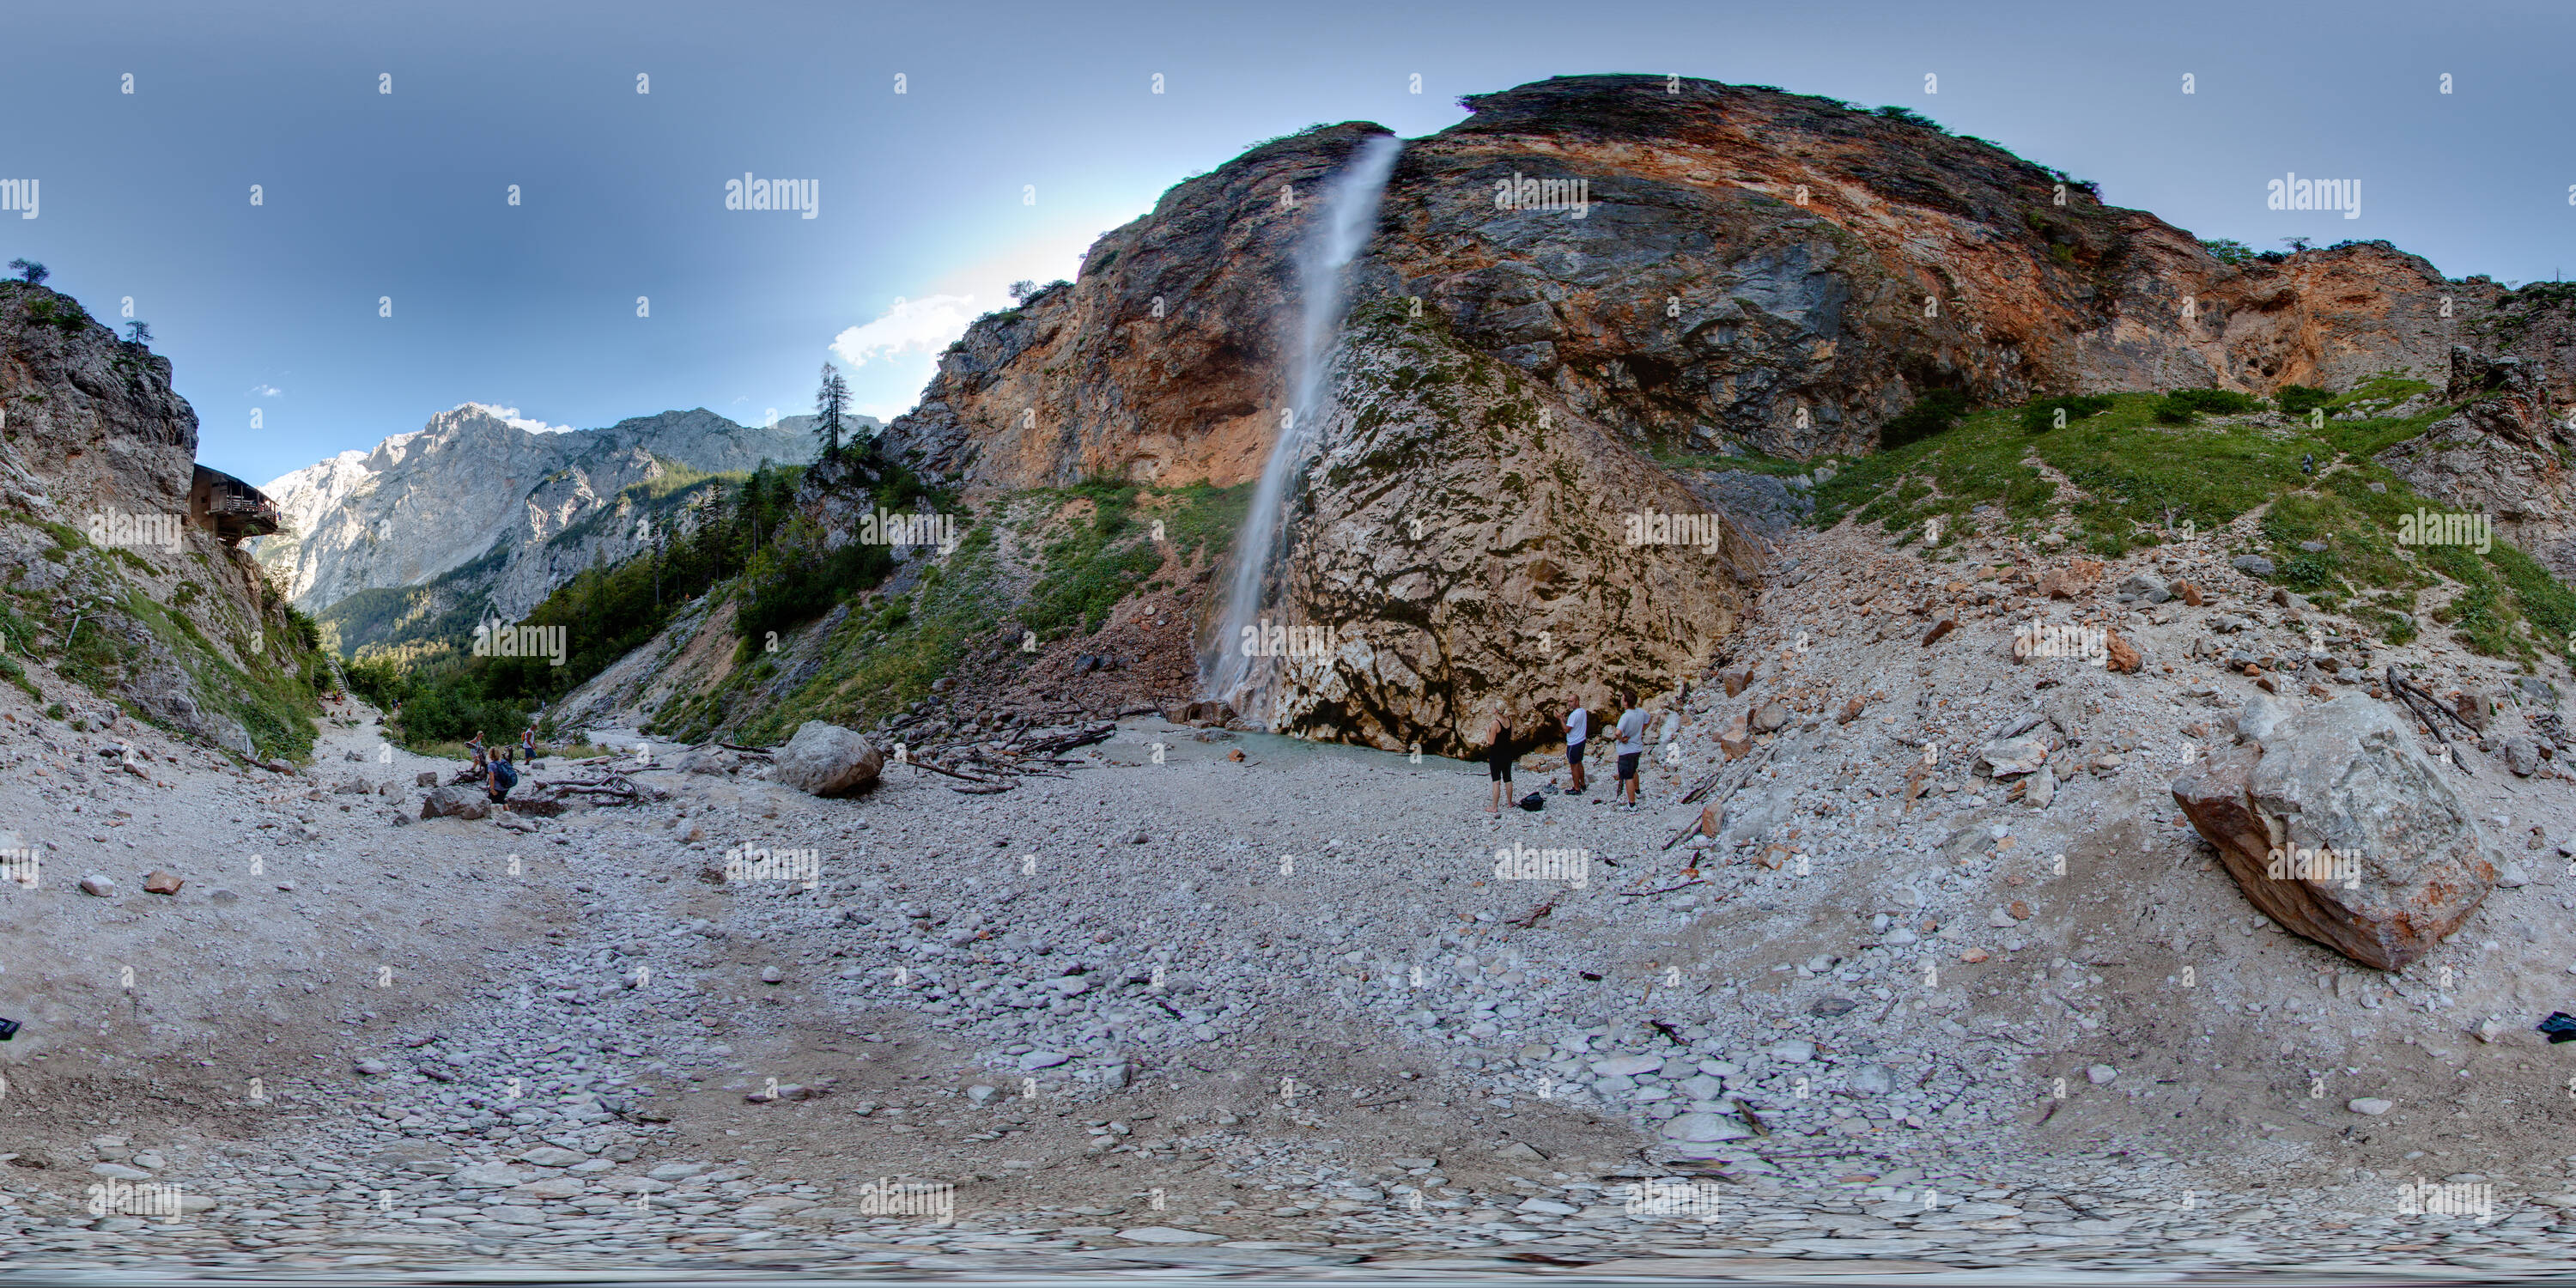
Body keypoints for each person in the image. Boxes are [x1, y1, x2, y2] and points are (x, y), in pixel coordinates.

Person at [1612, 690, 1649, 808]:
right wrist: (1641, 731)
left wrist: (1621, 739)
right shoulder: (1640, 712)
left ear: (1626, 702)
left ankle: (1632, 805)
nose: (1621, 701)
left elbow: (1617, 733)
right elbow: (1649, 719)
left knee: (1627, 777)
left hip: (1627, 750)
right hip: (1637, 747)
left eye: (1622, 699)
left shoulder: (1626, 716)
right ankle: (1637, 792)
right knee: (1634, 770)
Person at [1486, 704, 1516, 816]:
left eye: (1493, 707)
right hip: (1508, 753)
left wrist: (1487, 731)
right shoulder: (1509, 720)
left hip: (1496, 755)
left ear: (1497, 710)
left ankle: (1494, 807)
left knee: (1496, 781)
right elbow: (1512, 736)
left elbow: (1491, 742)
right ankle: (1509, 803)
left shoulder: (1495, 723)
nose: (1492, 708)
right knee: (1508, 778)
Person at [1563, 695, 1589, 794]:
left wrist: (1559, 719)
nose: (1569, 704)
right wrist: (1563, 718)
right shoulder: (1582, 711)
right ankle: (1583, 784)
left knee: (1574, 766)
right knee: (1579, 762)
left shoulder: (1574, 715)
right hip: (1581, 741)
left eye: (1571, 701)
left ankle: (1576, 788)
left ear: (1577, 701)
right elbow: (1571, 723)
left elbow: (1566, 729)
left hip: (1573, 743)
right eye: (1568, 701)